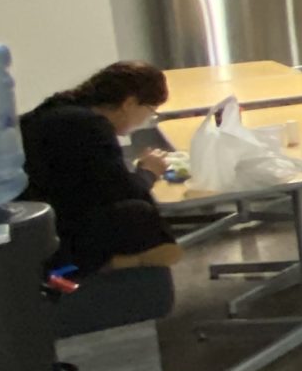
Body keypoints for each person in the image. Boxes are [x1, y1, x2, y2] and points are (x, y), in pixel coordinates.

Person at [20, 62, 183, 272]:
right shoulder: (90, 126)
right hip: (59, 237)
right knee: (140, 213)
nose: (146, 119)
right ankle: (98, 266)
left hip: (35, 226)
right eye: (150, 111)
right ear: (130, 103)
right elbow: (124, 192)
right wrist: (149, 172)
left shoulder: (57, 112)